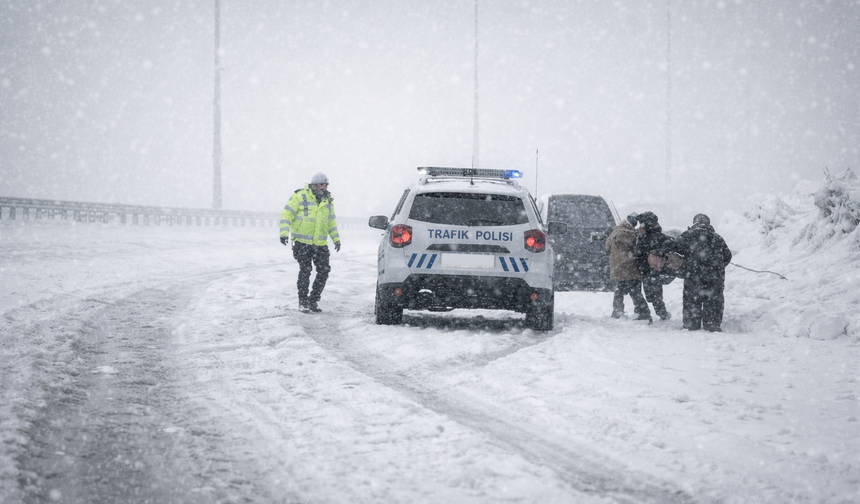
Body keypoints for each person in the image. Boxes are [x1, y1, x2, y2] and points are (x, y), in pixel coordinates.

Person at [279, 172, 341, 313]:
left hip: (320, 244)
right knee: (305, 270)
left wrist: (336, 239)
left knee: (324, 271)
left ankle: (313, 300)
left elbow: (331, 222)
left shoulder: (328, 201)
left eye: (326, 185)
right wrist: (283, 233)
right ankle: (303, 301)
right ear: (313, 185)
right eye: (321, 184)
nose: (324, 187)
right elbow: (287, 214)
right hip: (302, 243)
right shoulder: (299, 196)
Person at [672, 214, 732, 331]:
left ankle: (691, 324)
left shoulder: (688, 235)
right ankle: (712, 324)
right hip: (715, 277)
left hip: (693, 275)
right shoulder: (717, 238)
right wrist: (716, 267)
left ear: (694, 223)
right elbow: (728, 256)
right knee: (714, 300)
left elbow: (674, 248)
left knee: (692, 299)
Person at [606, 213, 651, 321]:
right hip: (629, 266)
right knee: (635, 291)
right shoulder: (628, 234)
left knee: (620, 291)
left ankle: (617, 311)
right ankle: (643, 312)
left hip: (618, 267)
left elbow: (607, 246)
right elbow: (636, 248)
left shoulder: (616, 231)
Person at [633, 211, 672, 320]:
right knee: (655, 292)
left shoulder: (643, 236)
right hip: (656, 268)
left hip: (646, 268)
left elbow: (638, 252)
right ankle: (661, 312)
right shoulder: (660, 236)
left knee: (649, 292)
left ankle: (646, 312)